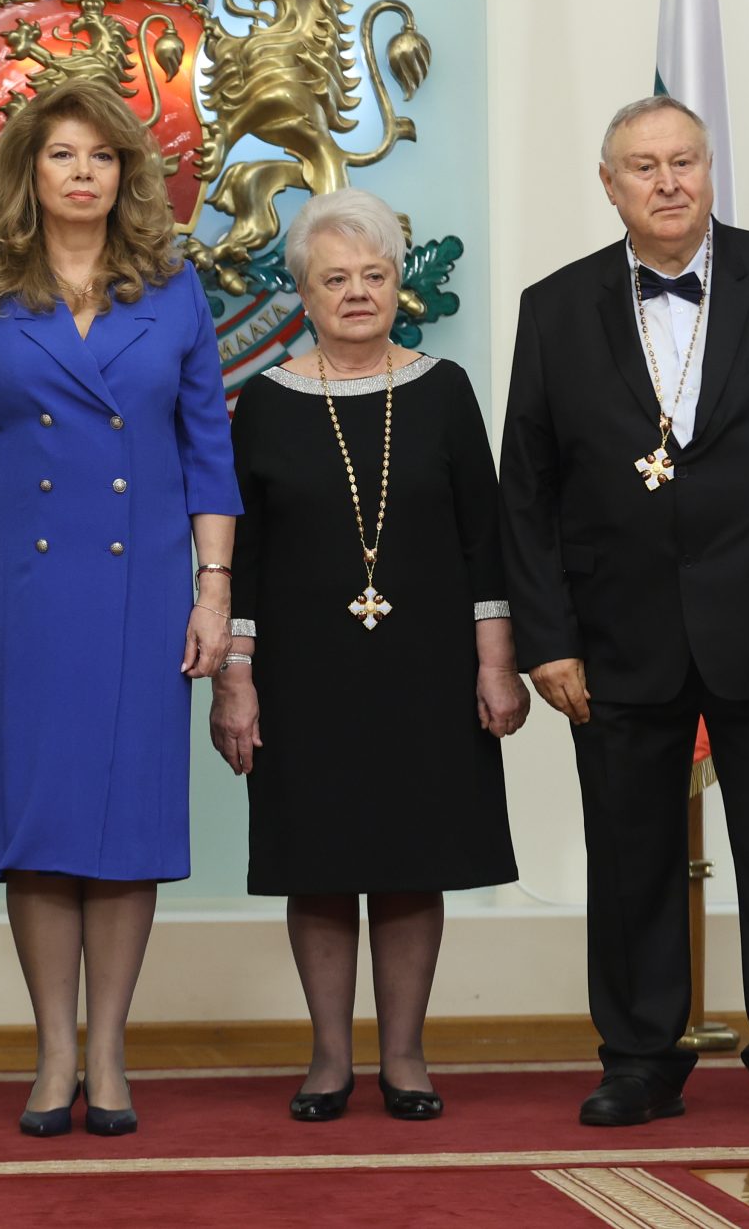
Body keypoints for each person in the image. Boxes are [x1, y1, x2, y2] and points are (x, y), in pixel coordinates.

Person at [501, 96, 749, 1132]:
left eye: (685, 161)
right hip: (614, 637)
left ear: (711, 170)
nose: (668, 182)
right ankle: (638, 1061)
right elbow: (526, 488)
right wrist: (547, 638)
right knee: (629, 858)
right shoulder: (554, 307)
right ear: (609, 184)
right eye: (644, 166)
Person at [0, 80, 240, 1138]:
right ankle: (54, 1049)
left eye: (102, 156)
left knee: (128, 818)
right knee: (42, 820)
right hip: (22, 591)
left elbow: (209, 456)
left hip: (144, 592)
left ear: (128, 173)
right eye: (62, 154)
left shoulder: (175, 292)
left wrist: (212, 591)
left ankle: (109, 1052)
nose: (83, 173)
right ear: (29, 171)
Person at [209, 188, 528, 1124]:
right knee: (317, 859)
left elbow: (485, 538)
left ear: (398, 287)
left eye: (374, 275)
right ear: (303, 295)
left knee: (410, 859)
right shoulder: (264, 402)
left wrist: (496, 661)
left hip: (427, 664)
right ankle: (327, 1059)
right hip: (301, 671)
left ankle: (406, 1057)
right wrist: (235, 675)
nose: (356, 292)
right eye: (335, 278)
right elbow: (242, 559)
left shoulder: (445, 389)